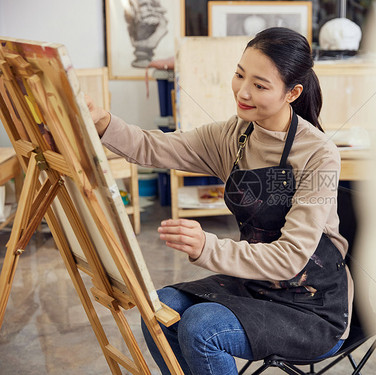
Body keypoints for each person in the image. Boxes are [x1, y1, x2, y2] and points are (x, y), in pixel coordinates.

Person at [87, 27, 352, 375]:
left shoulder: (318, 154)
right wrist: (104, 122)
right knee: (162, 309)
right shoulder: (234, 135)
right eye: (240, 74)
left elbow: (290, 258)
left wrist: (206, 247)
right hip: (256, 283)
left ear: (293, 93)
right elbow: (157, 147)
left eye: (260, 85)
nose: (243, 91)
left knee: (201, 326)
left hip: (312, 305)